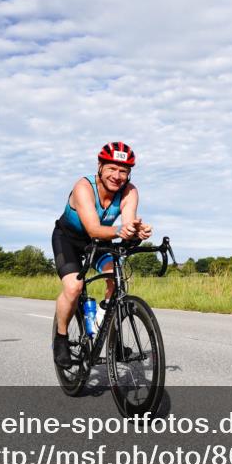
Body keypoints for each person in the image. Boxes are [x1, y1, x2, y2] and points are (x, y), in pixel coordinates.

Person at [52, 142, 152, 367]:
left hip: (99, 243)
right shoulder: (83, 187)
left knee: (117, 280)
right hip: (69, 241)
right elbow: (93, 229)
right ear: (100, 166)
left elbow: (126, 224)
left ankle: (106, 332)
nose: (117, 176)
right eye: (112, 169)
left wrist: (136, 231)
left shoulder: (129, 191)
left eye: (123, 171)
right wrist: (119, 231)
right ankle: (61, 338)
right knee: (74, 288)